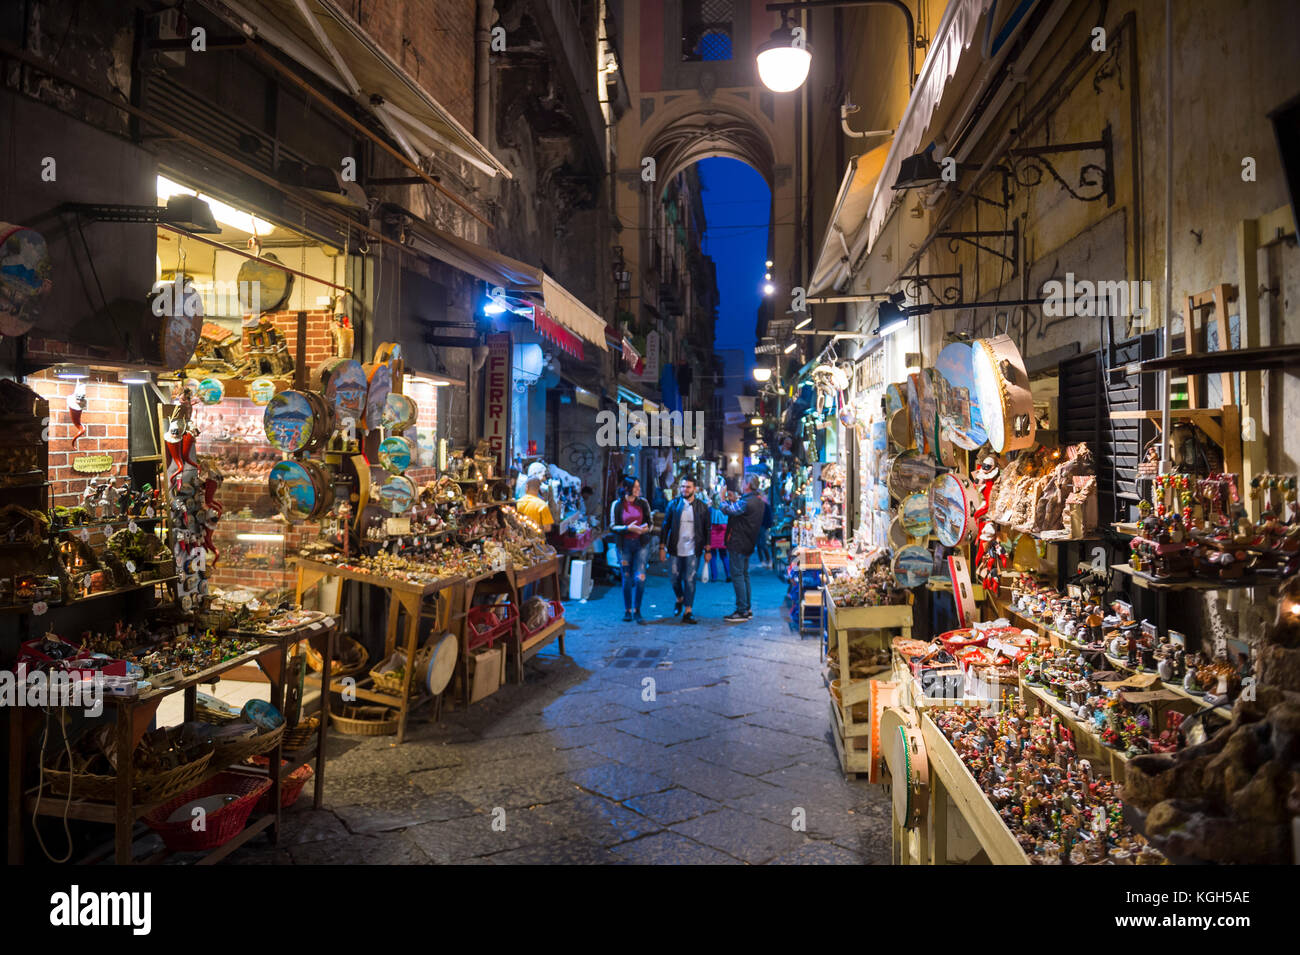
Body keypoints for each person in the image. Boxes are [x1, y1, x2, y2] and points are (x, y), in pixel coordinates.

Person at [659, 476, 712, 624]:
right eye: (682, 486)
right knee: (674, 577)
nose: (684, 489)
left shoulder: (702, 507)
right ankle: (679, 598)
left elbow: (708, 529)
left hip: (693, 549)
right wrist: (662, 547)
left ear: (694, 489)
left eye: (688, 487)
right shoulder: (673, 505)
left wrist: (708, 549)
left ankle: (688, 610)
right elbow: (665, 526)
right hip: (675, 547)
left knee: (690, 579)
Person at [717, 474, 765, 622]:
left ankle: (742, 610)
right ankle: (747, 608)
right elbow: (739, 509)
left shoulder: (747, 502)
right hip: (748, 542)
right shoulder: (757, 501)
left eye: (744, 481)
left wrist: (722, 498)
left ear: (748, 485)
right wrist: (733, 500)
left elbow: (728, 510)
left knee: (738, 576)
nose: (742, 483)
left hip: (739, 542)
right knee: (744, 575)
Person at [609, 476, 652, 623]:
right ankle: (627, 610)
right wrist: (628, 528)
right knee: (626, 577)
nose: (638, 489)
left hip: (641, 545)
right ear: (627, 488)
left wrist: (645, 529)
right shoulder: (617, 504)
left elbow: (650, 522)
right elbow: (612, 526)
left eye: (639, 487)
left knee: (640, 578)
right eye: (635, 487)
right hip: (624, 546)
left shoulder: (643, 503)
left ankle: (637, 609)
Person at [756, 487, 773, 568]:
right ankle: (762, 561)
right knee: (758, 545)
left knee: (763, 544)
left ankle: (768, 560)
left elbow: (769, 517)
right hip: (757, 527)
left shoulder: (765, 505)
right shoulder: (757, 505)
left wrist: (767, 526)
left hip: (763, 527)